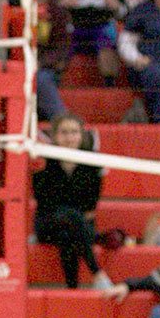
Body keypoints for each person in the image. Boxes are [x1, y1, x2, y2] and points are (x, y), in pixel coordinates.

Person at [33, 115, 112, 289]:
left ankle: (72, 288)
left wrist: (72, 215)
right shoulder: (44, 162)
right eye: (64, 132)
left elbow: (91, 206)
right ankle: (97, 273)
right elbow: (45, 204)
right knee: (69, 216)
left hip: (79, 227)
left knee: (67, 235)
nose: (69, 137)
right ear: (55, 136)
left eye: (74, 132)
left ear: (82, 135)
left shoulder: (92, 162)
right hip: (48, 225)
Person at [33, 0, 71, 121]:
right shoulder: (15, 8)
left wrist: (40, 63)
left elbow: (62, 48)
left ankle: (63, 124)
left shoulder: (59, 13)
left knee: (41, 79)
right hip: (18, 66)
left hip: (45, 69)